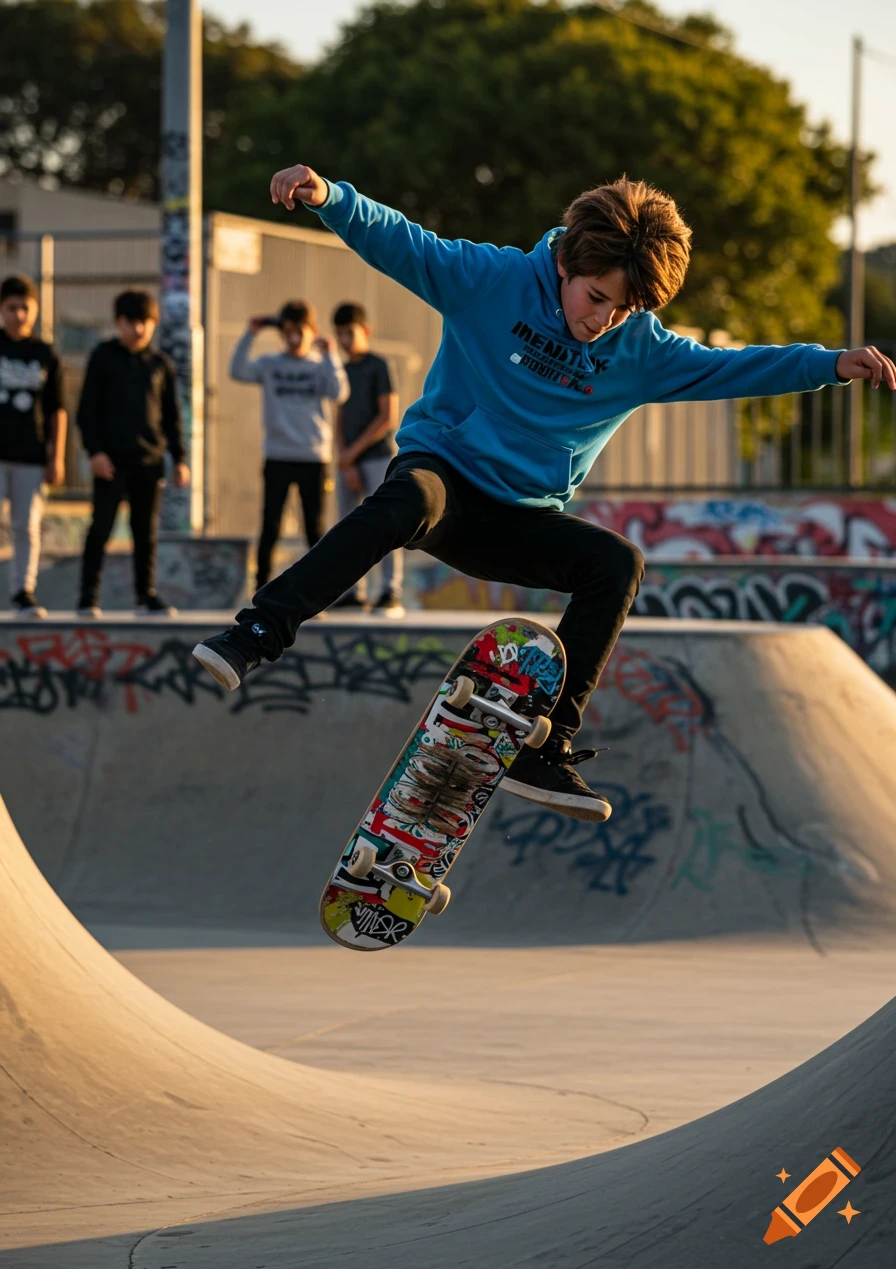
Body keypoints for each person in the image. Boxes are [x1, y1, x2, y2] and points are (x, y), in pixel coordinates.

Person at [194, 162, 896, 823]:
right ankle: (258, 631)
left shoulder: (639, 350)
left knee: (616, 564)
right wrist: (330, 198)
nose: (603, 321)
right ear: (565, 263)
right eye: (596, 298)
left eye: (623, 310)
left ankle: (543, 745)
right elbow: (406, 244)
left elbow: (733, 369)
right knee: (405, 503)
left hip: (520, 518)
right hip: (444, 474)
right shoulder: (491, 280)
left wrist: (830, 364)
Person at [77, 289, 189, 617]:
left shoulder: (159, 364)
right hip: (110, 462)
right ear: (119, 323)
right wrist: (95, 452)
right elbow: (87, 411)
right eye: (131, 323)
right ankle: (88, 597)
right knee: (101, 529)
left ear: (153, 324)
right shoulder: (102, 357)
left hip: (148, 462)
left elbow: (172, 416)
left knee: (145, 533)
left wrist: (180, 459)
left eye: (145, 323)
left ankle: (145, 595)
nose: (138, 330)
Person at [230, 300, 349, 591]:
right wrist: (251, 333)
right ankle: (260, 588)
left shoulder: (321, 366)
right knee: (270, 526)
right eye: (287, 331)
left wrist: (331, 355)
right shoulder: (270, 364)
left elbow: (339, 392)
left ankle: (316, 592)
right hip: (278, 455)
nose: (293, 337)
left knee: (315, 529)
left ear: (312, 331)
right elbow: (237, 370)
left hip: (313, 457)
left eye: (299, 331)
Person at [330, 301, 403, 616]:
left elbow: (387, 417)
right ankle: (351, 590)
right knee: (348, 526)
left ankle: (390, 590)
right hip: (350, 461)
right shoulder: (341, 369)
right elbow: (339, 415)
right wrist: (343, 459)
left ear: (365, 331)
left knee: (386, 524)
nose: (345, 340)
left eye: (350, 333)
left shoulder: (378, 366)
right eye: (340, 335)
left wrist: (353, 453)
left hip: (376, 458)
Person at [0, 274, 66, 618]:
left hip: (31, 455)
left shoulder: (44, 353)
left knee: (26, 526)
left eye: (26, 308)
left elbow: (57, 409)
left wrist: (57, 457)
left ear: (36, 310)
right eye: (12, 308)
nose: (19, 315)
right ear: (1, 309)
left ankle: (23, 592)